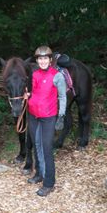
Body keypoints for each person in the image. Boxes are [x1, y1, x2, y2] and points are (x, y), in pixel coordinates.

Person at [26, 46, 67, 197]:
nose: (42, 61)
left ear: (50, 60)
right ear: (37, 60)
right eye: (40, 58)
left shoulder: (57, 76)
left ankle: (49, 183)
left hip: (48, 116)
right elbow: (35, 92)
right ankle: (39, 174)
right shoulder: (35, 74)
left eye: (45, 58)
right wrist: (28, 96)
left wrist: (61, 116)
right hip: (33, 115)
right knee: (36, 145)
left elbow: (62, 97)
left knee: (46, 148)